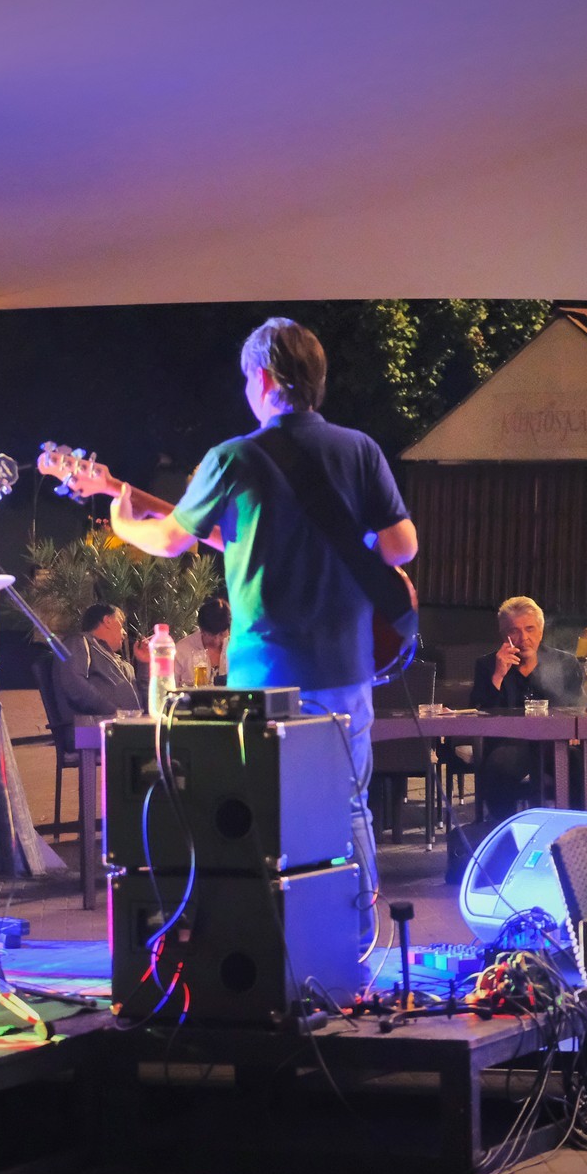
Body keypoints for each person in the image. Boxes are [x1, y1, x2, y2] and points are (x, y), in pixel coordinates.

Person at [105, 317, 418, 949]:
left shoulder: (233, 457)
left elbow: (172, 540)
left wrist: (122, 521)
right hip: (346, 667)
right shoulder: (360, 449)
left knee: (268, 811)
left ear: (267, 379)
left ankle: (275, 947)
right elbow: (401, 547)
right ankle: (356, 944)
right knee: (348, 804)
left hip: (266, 675)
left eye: (249, 379)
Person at [470, 596, 585, 819]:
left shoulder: (565, 663)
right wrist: (498, 676)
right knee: (499, 765)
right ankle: (504, 827)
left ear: (541, 631)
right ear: (503, 635)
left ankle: (578, 827)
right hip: (509, 743)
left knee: (575, 760)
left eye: (530, 629)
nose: (524, 638)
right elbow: (478, 712)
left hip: (554, 742)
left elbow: (577, 706)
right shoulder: (487, 665)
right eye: (514, 631)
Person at [52, 603, 144, 717]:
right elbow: (74, 684)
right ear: (107, 620)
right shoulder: (80, 642)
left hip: (130, 724)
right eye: (121, 624)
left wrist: (145, 663)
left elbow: (146, 703)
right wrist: (114, 712)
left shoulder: (123, 664)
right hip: (95, 725)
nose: (125, 633)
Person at [173, 597, 231, 686]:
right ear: (202, 630)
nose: (217, 640)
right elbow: (170, 687)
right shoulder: (181, 650)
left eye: (221, 634)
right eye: (212, 635)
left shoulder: (235, 648)